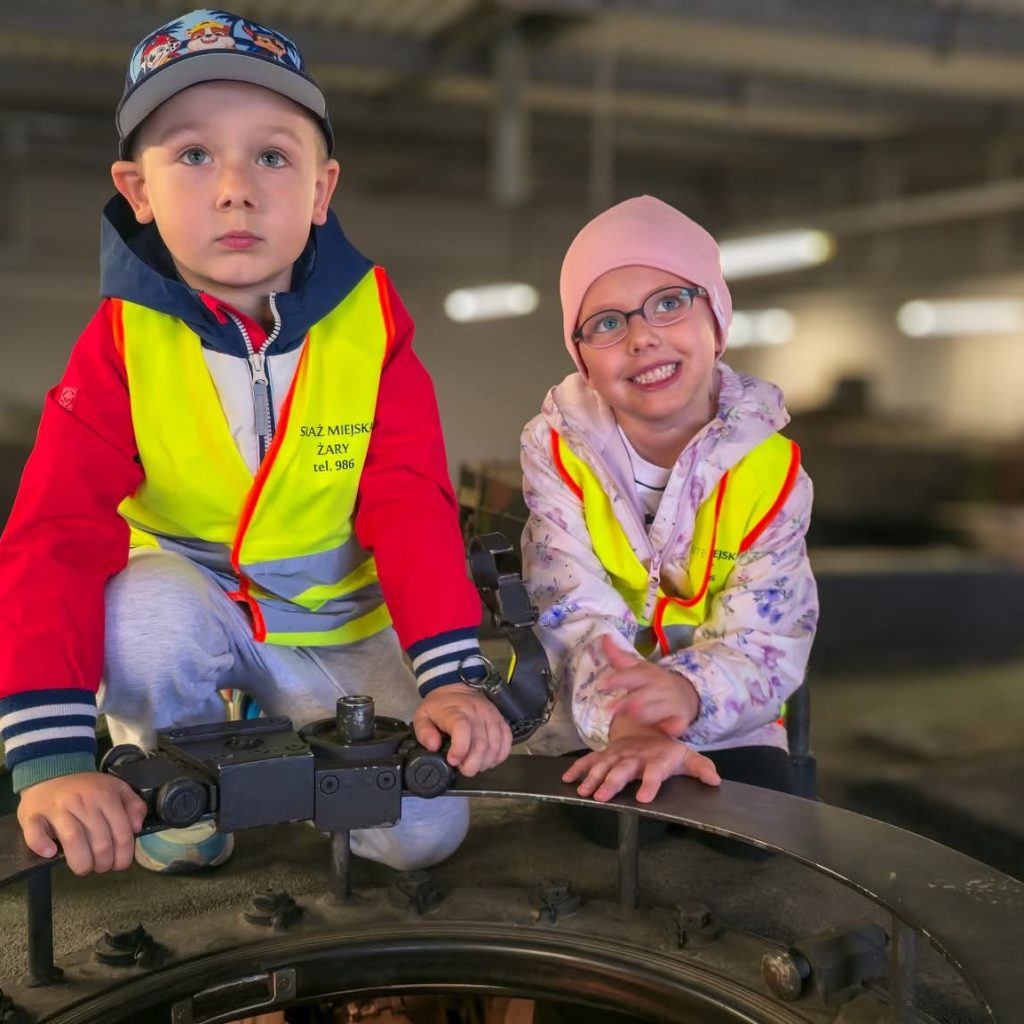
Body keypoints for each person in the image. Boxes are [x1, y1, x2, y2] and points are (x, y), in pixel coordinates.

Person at [0, 8, 512, 878]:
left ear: (321, 190)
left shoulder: (369, 325)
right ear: (137, 191)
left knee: (424, 838)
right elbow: (56, 533)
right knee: (143, 612)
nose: (236, 187)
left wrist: (452, 674)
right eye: (193, 155)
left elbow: (411, 503)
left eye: (273, 155)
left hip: (337, 622)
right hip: (191, 601)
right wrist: (51, 763)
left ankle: (313, 765)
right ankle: (179, 788)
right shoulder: (121, 340)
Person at [519, 195, 818, 818]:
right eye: (605, 323)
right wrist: (628, 720)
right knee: (607, 827)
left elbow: (769, 633)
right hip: (597, 715)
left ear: (717, 319)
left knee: (758, 816)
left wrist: (685, 693)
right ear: (584, 361)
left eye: (670, 302)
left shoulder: (772, 472)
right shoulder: (558, 451)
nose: (641, 336)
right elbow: (570, 610)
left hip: (726, 710)